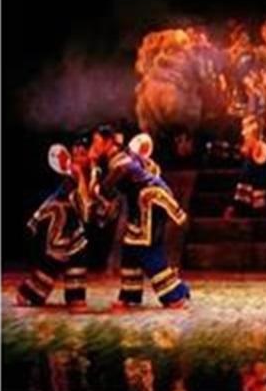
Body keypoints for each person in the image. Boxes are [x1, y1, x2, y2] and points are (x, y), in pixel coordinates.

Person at [88, 125, 190, 308]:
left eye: (96, 142)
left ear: (108, 142)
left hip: (149, 204)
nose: (94, 146)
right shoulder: (121, 157)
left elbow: (105, 190)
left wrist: (93, 166)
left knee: (146, 248)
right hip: (143, 204)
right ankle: (130, 295)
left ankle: (175, 295)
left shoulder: (120, 163)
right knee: (130, 248)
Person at [16, 140, 91, 308]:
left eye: (83, 154)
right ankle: (28, 293)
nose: (78, 158)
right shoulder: (71, 176)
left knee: (78, 256)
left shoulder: (92, 172)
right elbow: (81, 202)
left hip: (73, 224)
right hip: (60, 223)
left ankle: (75, 296)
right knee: (56, 258)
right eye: (76, 154)